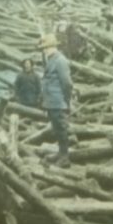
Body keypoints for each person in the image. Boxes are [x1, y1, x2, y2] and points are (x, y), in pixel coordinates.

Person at [39, 32, 73, 167]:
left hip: (58, 101)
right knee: (56, 128)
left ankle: (65, 157)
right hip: (51, 101)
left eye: (46, 48)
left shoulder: (60, 60)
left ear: (53, 47)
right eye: (44, 48)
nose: (45, 51)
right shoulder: (51, 59)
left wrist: (66, 100)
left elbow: (67, 83)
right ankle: (60, 152)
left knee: (61, 128)